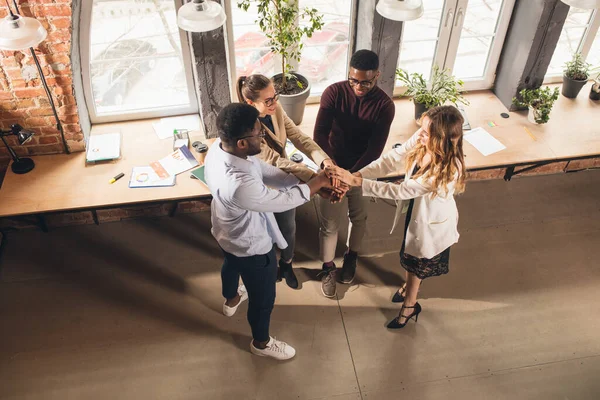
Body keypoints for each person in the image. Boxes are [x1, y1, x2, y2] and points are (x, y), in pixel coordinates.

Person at [205, 103, 336, 359]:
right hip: (250, 244)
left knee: (230, 264)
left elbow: (264, 171)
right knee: (263, 298)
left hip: (224, 231)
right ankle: (261, 343)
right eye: (258, 133)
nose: (263, 135)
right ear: (242, 142)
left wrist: (305, 182)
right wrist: (318, 182)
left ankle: (231, 299)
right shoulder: (239, 185)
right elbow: (283, 201)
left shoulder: (220, 148)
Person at [326, 105, 466, 329]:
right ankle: (409, 287)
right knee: (412, 255)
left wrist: (356, 183)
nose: (419, 134)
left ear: (440, 139)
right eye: (421, 128)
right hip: (417, 212)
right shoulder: (423, 140)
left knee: (418, 261)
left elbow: (401, 191)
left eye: (426, 132)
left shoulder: (447, 169)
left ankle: (410, 305)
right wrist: (356, 175)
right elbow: (390, 160)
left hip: (432, 223)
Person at [236, 74, 337, 289]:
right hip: (259, 184)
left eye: (275, 97)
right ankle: (270, 266)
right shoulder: (244, 126)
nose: (274, 103)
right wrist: (314, 179)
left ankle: (287, 264)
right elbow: (272, 160)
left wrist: (324, 161)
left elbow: (299, 138)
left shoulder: (276, 110)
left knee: (288, 227)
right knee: (263, 231)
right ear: (250, 102)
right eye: (268, 100)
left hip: (284, 178)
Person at [313, 49, 395, 297]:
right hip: (331, 166)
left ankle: (351, 256)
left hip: (363, 170)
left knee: (358, 217)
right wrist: (335, 173)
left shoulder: (385, 106)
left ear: (377, 76)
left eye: (365, 82)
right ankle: (328, 267)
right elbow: (319, 136)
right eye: (353, 80)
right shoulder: (333, 93)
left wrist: (351, 178)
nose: (358, 86)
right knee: (329, 223)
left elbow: (375, 150)